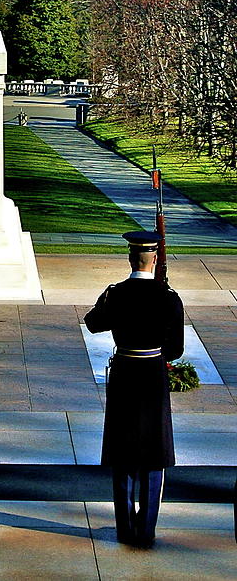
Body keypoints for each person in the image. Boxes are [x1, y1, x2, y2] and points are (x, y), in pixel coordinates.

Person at [84, 230, 184, 548]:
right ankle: (147, 529)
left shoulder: (117, 293)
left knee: (124, 452)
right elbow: (177, 348)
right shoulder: (168, 297)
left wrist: (107, 296)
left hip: (125, 372)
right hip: (152, 375)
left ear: (130, 258)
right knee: (154, 454)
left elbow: (92, 322)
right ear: (155, 259)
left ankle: (125, 529)